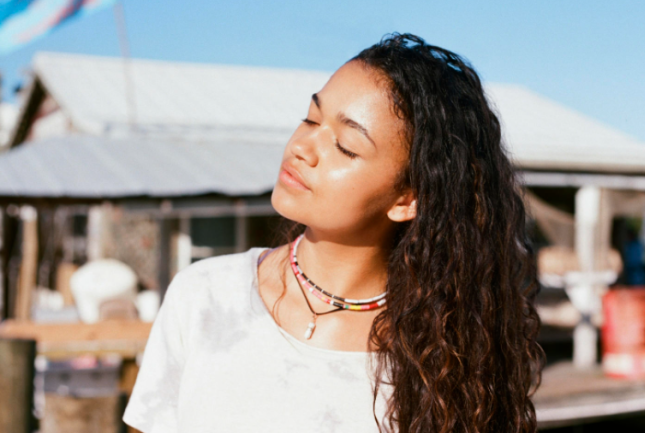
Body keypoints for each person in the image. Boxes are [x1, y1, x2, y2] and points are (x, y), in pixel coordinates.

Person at [123, 33, 545, 433]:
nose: (302, 147)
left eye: (345, 145)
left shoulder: (441, 358)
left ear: (406, 199)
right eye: (310, 119)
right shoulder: (204, 295)